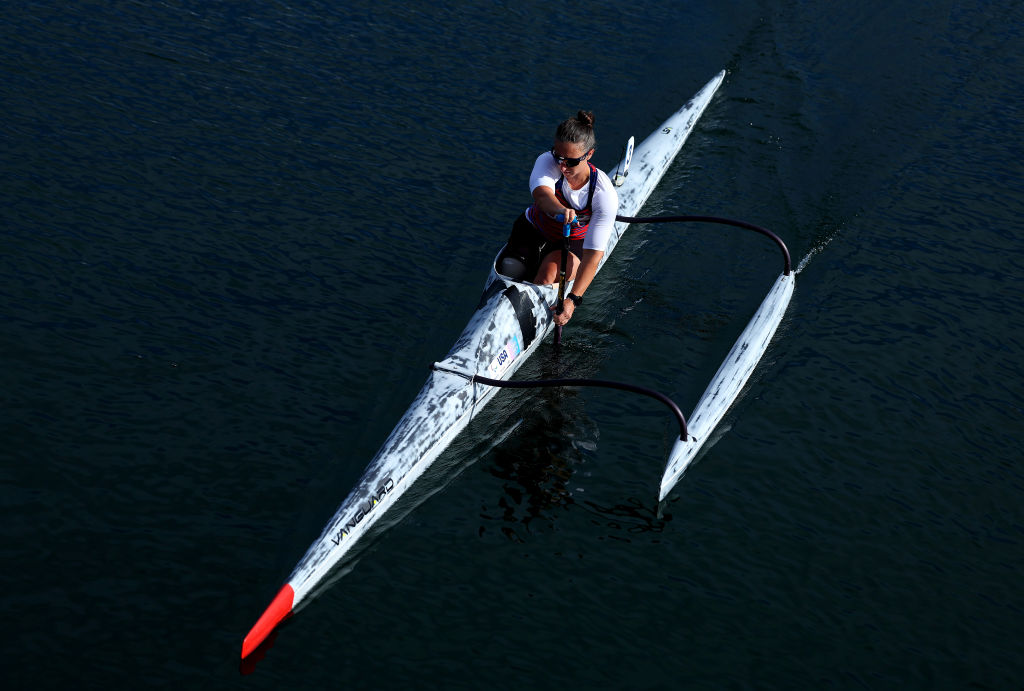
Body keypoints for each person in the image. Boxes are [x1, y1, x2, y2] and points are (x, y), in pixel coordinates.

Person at [500, 110, 619, 327]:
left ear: (589, 155)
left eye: (571, 162)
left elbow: (593, 257)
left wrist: (572, 300)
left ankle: (523, 323)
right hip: (532, 230)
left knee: (546, 277)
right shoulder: (546, 160)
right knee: (509, 270)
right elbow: (542, 195)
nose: (562, 166)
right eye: (558, 157)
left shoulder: (604, 195)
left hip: (570, 245)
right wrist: (559, 209)